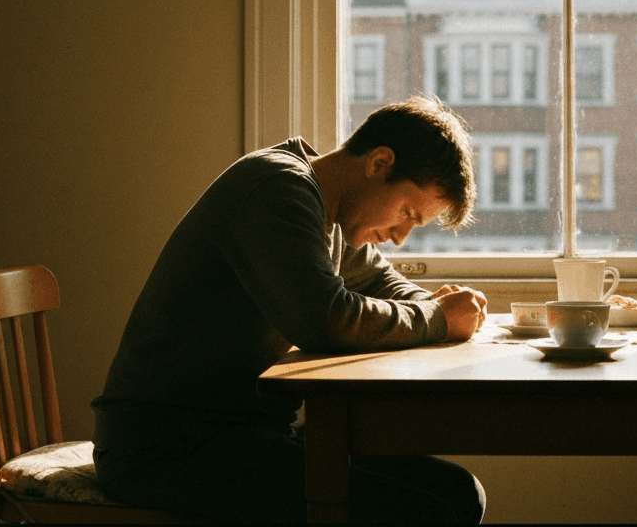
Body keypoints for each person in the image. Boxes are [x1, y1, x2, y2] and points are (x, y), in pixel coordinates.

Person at [91, 95, 489, 523]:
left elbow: (378, 281)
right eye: (407, 213)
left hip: (242, 433)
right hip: (166, 446)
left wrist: (431, 303)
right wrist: (439, 319)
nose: (399, 237)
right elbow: (326, 319)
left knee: (461, 493)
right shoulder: (277, 188)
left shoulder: (333, 213)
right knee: (425, 514)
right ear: (378, 163)